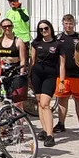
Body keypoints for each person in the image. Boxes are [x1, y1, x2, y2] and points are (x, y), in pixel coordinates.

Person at [30, 19, 65, 148]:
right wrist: (28, 77)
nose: (44, 31)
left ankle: (50, 135)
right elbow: (32, 61)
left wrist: (61, 81)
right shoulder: (36, 43)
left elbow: (62, 65)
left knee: (45, 104)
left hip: (50, 75)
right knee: (39, 102)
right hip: (37, 75)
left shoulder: (58, 44)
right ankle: (44, 129)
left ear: (50, 28)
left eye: (46, 28)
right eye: (41, 29)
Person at [55, 14, 79, 137]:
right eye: (66, 23)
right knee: (62, 99)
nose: (68, 26)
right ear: (62, 24)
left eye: (70, 23)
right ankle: (61, 123)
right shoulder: (58, 38)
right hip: (62, 74)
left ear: (74, 24)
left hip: (77, 74)